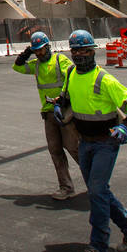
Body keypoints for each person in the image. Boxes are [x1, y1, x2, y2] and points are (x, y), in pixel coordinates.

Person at [60, 29, 127, 252]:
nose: (79, 55)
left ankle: (97, 248)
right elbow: (66, 97)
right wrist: (59, 107)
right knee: (100, 192)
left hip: (105, 143)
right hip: (84, 142)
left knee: (97, 192)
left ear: (92, 52)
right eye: (75, 50)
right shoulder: (70, 74)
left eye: (85, 50)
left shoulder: (105, 80)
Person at [12, 30, 79, 199]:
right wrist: (26, 52)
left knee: (74, 148)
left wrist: (63, 99)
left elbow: (73, 79)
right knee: (55, 150)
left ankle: (95, 182)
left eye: (41, 49)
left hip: (65, 111)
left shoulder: (60, 60)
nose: (39, 53)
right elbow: (18, 67)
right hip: (49, 114)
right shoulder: (36, 64)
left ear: (48, 47)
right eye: (36, 50)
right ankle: (66, 187)